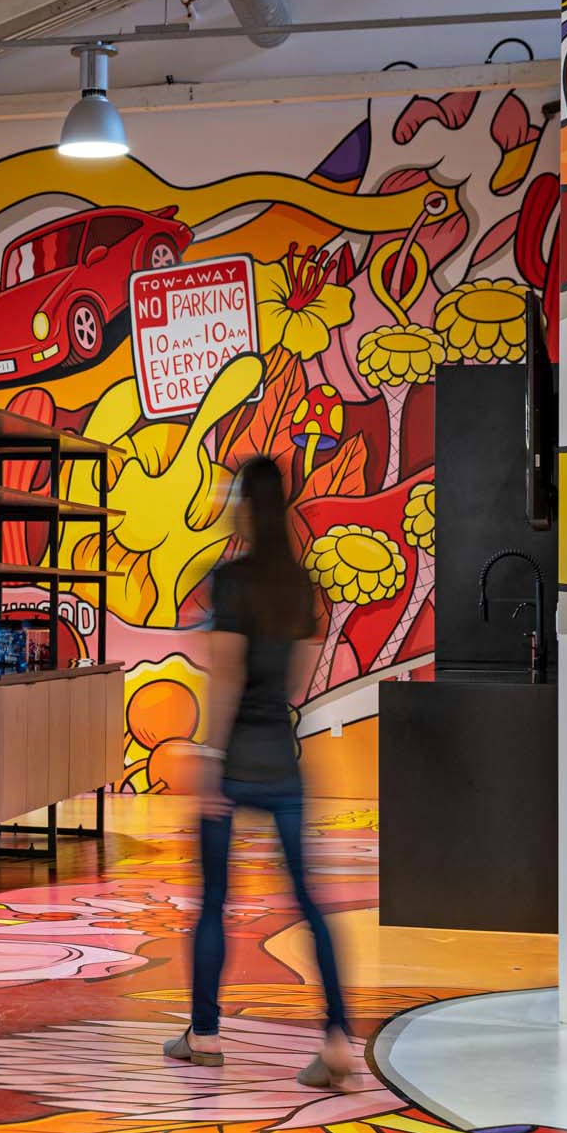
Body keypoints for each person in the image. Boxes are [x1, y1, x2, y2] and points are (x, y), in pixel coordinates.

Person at [169, 454, 354, 1090]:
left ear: (245, 505)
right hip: (282, 758)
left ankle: (205, 1035)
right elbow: (296, 681)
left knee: (215, 901)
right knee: (308, 899)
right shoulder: (301, 584)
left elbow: (225, 675)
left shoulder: (232, 580)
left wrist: (212, 759)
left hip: (237, 760)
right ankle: (336, 1042)